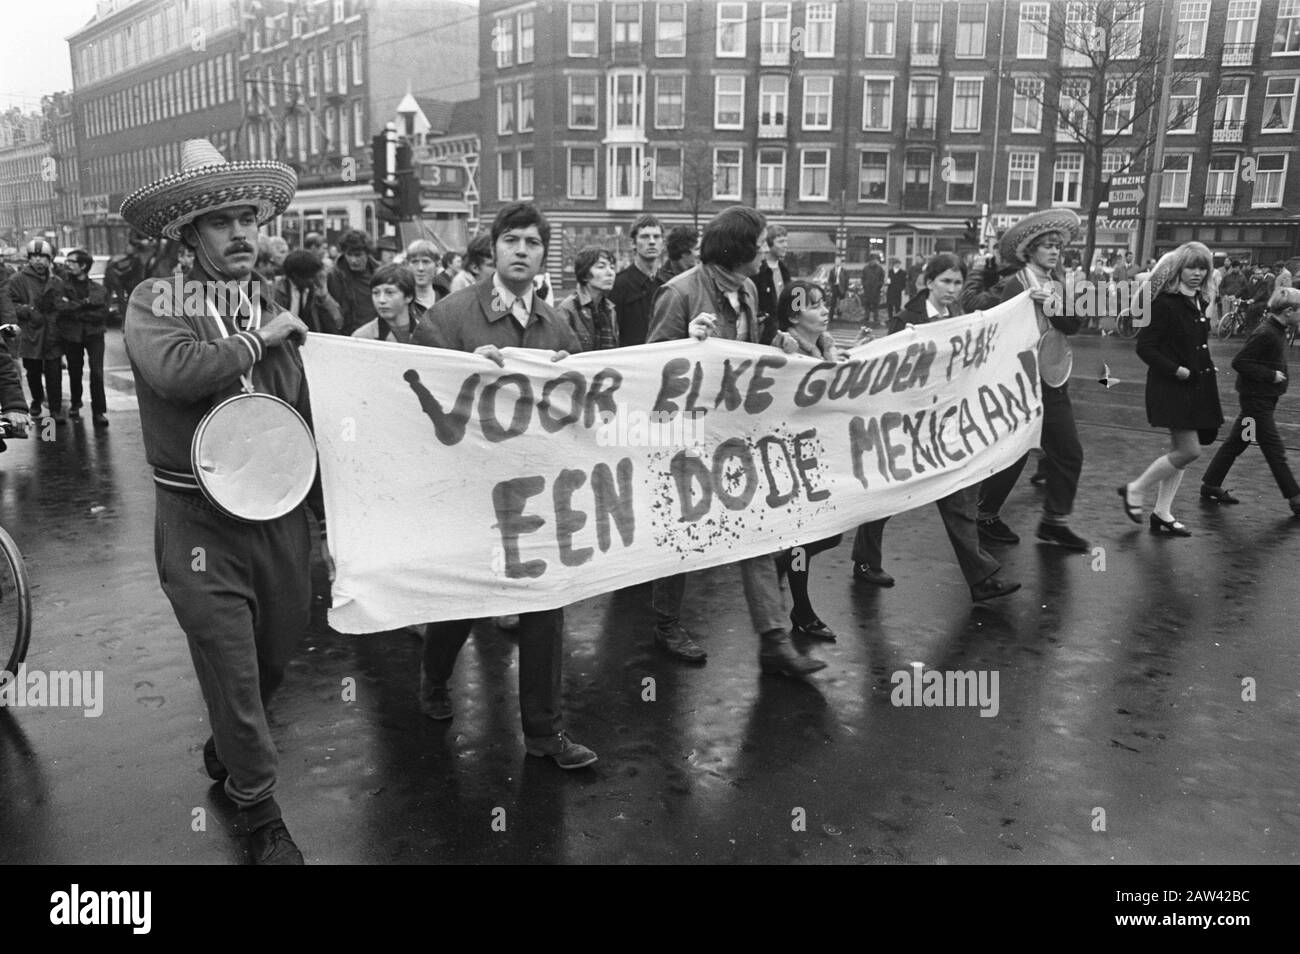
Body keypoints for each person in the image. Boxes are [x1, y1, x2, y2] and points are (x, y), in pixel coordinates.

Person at [120, 138, 320, 863]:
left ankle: (232, 744)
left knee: (271, 661)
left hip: (278, 517)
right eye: (222, 221)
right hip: (198, 522)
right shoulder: (155, 300)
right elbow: (175, 373)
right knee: (232, 670)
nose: (242, 234)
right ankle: (257, 806)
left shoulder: (269, 302)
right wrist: (256, 341)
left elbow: (304, 404)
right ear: (188, 234)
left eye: (250, 219)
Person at [411, 202, 597, 770]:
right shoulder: (449, 317)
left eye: (533, 243)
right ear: (492, 249)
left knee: (546, 603)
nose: (521, 250)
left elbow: (583, 401)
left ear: (544, 255)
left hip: (536, 493)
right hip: (469, 492)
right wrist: (462, 370)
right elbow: (410, 398)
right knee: (463, 603)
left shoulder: (555, 323)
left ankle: (544, 732)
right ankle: (435, 676)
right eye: (511, 240)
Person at [646, 205, 824, 678]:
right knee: (680, 532)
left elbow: (747, 350)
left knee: (759, 530)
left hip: (734, 433)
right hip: (685, 437)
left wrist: (777, 345)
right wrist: (685, 342)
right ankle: (666, 623)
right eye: (761, 243)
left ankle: (773, 639)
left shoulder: (746, 288)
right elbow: (648, 369)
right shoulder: (678, 293)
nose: (767, 250)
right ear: (739, 250)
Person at [852, 254, 1021, 603]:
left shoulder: (960, 319)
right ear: (928, 283)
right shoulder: (906, 320)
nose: (952, 289)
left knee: (956, 496)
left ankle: (981, 578)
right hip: (907, 424)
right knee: (887, 496)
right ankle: (866, 561)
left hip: (944, 424)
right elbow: (889, 371)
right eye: (945, 281)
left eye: (957, 283)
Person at [971, 209, 1091, 552]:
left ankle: (1054, 522)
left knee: (1068, 452)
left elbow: (1074, 325)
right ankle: (985, 515)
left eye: (1058, 247)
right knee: (1014, 453)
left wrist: (1052, 305)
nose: (1054, 252)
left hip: (1053, 379)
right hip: (1022, 383)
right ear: (1031, 251)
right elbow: (999, 334)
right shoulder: (1016, 284)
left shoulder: (1057, 284)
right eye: (1047, 247)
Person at [1119, 242, 1223, 536]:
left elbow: (1196, 344)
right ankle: (1134, 489)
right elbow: (1146, 348)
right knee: (1189, 451)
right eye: (1191, 267)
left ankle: (1162, 512)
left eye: (1202, 268)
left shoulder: (1198, 302)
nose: (1197, 273)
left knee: (1182, 451)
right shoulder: (1164, 303)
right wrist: (1176, 369)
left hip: (1196, 386)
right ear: (1179, 269)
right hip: (1172, 387)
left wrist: (1205, 364)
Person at [770, 279, 844, 638]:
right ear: (793, 315)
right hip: (795, 458)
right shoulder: (786, 351)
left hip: (822, 453)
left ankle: (775, 572)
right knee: (808, 536)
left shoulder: (826, 348)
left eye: (823, 303)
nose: (825, 310)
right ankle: (801, 611)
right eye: (814, 305)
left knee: (827, 535)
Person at [1200, 287, 1300, 514]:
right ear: (1289, 311)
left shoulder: (1277, 329)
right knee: (1274, 449)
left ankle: (1211, 484)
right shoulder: (1266, 333)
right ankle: (1296, 498)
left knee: (1239, 440)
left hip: (1263, 398)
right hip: (1257, 401)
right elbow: (1240, 362)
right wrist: (1270, 375)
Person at [7, 239, 66, 422]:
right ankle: (37, 398)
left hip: (52, 334)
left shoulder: (56, 281)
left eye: (42, 257)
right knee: (32, 371)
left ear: (49, 259)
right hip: (31, 334)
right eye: (34, 257)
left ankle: (55, 409)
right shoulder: (17, 280)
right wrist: (28, 311)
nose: (39, 261)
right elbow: (10, 305)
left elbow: (62, 305)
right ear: (29, 259)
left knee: (54, 373)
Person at [55, 248, 111, 426]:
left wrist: (76, 308)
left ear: (83, 265)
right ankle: (75, 403)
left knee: (97, 372)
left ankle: (99, 411)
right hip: (72, 336)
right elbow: (60, 308)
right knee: (74, 371)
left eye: (72, 262)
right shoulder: (62, 286)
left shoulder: (98, 289)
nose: (67, 264)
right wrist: (86, 304)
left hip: (94, 335)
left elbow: (102, 313)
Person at [608, 214, 663, 346]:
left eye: (656, 237)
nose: (651, 241)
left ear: (663, 243)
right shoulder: (618, 285)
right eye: (645, 236)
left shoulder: (669, 284)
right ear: (633, 243)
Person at [555, 246, 618, 351]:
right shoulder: (568, 309)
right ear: (585, 275)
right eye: (601, 267)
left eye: (612, 267)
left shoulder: (610, 310)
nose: (610, 273)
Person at [273, 250, 343, 334]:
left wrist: (324, 296)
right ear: (296, 276)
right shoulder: (273, 290)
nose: (315, 280)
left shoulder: (314, 292)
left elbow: (338, 322)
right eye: (311, 276)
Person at [326, 229, 380, 335]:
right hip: (347, 335)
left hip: (374, 334)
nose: (353, 260)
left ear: (367, 253)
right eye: (349, 255)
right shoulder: (334, 276)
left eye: (358, 255)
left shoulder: (379, 273)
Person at [352, 264, 418, 342]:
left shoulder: (428, 334)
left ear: (408, 297)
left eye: (389, 292)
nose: (381, 300)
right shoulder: (361, 337)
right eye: (376, 293)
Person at [753, 224, 791, 343]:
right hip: (764, 335)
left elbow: (795, 303)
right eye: (781, 242)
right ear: (769, 244)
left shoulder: (785, 270)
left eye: (786, 241)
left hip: (783, 331)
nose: (785, 245)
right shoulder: (758, 271)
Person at [404, 239, 449, 316]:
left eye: (426, 262)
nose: (420, 268)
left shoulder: (448, 301)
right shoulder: (401, 302)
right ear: (407, 265)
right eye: (415, 262)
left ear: (437, 265)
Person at [860, 254, 885, 327]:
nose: (873, 261)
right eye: (872, 260)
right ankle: (866, 317)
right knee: (867, 305)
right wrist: (865, 285)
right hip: (867, 290)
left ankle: (875, 318)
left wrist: (879, 285)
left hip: (876, 290)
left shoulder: (880, 269)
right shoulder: (865, 268)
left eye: (874, 260)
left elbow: (882, 278)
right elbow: (863, 278)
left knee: (876, 305)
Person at [826, 254, 849, 321]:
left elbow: (846, 280)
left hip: (841, 287)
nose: (837, 262)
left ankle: (839, 315)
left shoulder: (844, 271)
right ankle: (831, 316)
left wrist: (846, 289)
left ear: (840, 262)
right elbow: (830, 279)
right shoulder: (832, 270)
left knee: (841, 302)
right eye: (836, 261)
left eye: (838, 261)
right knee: (833, 302)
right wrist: (831, 285)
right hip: (834, 287)